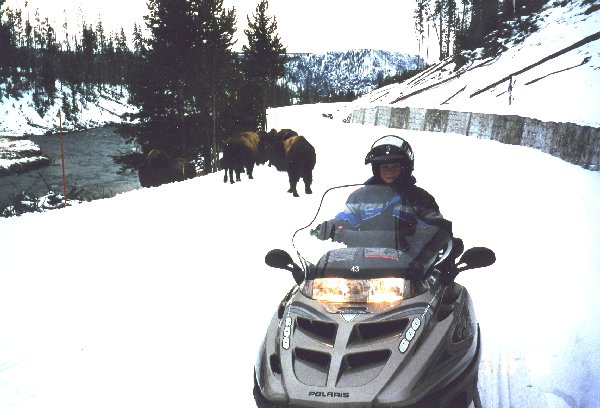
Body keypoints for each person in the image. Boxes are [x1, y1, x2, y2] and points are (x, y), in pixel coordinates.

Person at [314, 135, 449, 250]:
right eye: (385, 167)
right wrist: (332, 227)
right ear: (376, 169)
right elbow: (348, 218)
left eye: (395, 167)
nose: (389, 172)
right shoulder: (360, 196)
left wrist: (429, 236)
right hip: (362, 263)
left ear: (404, 168)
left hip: (407, 265)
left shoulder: (421, 199)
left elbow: (434, 228)